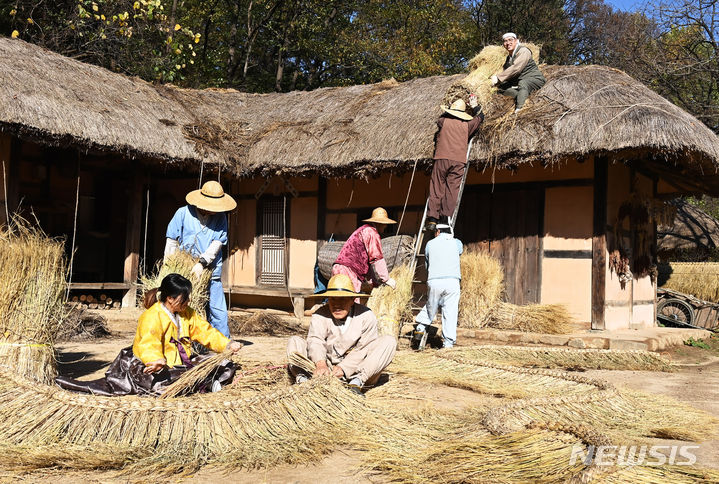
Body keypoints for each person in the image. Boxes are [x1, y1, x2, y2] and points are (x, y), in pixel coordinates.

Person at [55, 273, 243, 396]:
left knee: (222, 363)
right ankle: (206, 383)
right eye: (184, 298)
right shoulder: (152, 316)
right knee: (167, 384)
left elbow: (205, 331)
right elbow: (148, 343)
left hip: (179, 362)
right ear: (170, 298)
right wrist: (155, 360)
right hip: (150, 365)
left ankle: (204, 382)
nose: (188, 301)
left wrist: (227, 345)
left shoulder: (187, 313)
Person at [286, 274, 396, 395]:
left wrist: (344, 368)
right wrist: (320, 363)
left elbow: (363, 348)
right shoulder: (320, 314)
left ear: (352, 300)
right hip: (325, 369)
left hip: (358, 369)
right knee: (294, 341)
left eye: (342, 299)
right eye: (333, 299)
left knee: (388, 341)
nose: (337, 304)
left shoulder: (366, 316)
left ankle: (356, 384)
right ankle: (304, 382)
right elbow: (315, 340)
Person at [165, 180, 237, 338]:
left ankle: (223, 345)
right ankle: (188, 343)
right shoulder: (183, 213)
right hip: (186, 273)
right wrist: (168, 267)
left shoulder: (220, 218)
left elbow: (217, 243)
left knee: (218, 311)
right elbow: (172, 242)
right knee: (188, 309)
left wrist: (202, 263)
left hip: (211, 271)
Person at [425, 97, 483, 232]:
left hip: (441, 158)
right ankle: (446, 219)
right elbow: (480, 117)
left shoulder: (443, 121)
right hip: (458, 161)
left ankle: (433, 219)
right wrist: (474, 105)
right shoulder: (467, 125)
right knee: (452, 190)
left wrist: (449, 109)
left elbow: (441, 116)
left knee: (437, 187)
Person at [412, 223, 463, 350]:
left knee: (431, 305)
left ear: (438, 231)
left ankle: (421, 327)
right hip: (452, 281)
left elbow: (427, 263)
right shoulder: (457, 242)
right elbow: (460, 251)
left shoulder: (430, 244)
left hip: (434, 280)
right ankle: (448, 343)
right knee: (450, 311)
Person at [332, 207, 398, 296]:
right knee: (350, 302)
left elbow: (366, 263)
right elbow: (377, 257)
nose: (385, 226)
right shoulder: (372, 232)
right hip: (348, 271)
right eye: (384, 224)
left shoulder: (363, 229)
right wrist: (386, 279)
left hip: (339, 268)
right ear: (379, 223)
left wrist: (373, 282)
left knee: (338, 299)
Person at [490, 32, 546, 112]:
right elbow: (508, 74)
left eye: (510, 40)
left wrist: (498, 78)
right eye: (505, 41)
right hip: (518, 82)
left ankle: (519, 109)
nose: (508, 43)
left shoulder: (523, 51)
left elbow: (516, 68)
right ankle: (520, 95)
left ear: (516, 41)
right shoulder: (508, 58)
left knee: (523, 83)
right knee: (501, 89)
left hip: (534, 79)